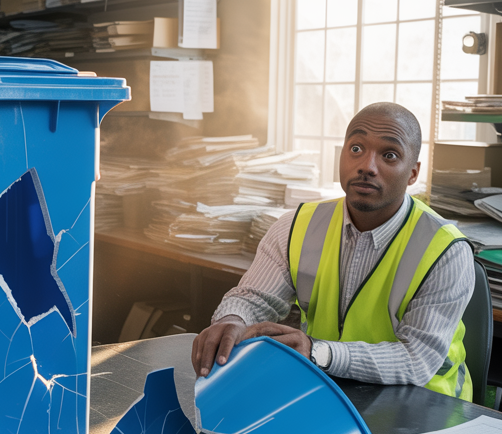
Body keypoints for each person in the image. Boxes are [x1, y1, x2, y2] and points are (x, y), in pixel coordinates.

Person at [191, 102, 476, 401]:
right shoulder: (295, 226)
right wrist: (232, 321)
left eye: (389, 155)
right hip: (329, 391)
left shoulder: (446, 250)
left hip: (425, 409)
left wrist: (317, 352)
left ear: (413, 174)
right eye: (356, 148)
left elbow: (417, 358)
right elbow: (253, 298)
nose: (367, 166)